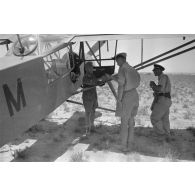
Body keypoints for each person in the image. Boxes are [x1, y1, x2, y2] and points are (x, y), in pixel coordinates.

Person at [109, 52, 140, 152]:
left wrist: (119, 100)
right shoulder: (131, 68)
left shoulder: (122, 68)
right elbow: (133, 80)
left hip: (127, 96)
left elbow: (121, 85)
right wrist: (113, 77)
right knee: (131, 121)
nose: (116, 62)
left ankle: (123, 145)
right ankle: (130, 143)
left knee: (124, 122)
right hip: (135, 94)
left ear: (121, 59)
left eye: (117, 60)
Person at [149, 64, 172, 137]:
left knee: (154, 118)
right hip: (166, 100)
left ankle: (161, 134)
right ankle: (167, 135)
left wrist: (153, 85)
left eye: (155, 70)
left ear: (159, 70)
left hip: (163, 100)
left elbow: (159, 89)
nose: (153, 72)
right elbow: (159, 91)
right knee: (164, 119)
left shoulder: (163, 77)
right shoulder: (162, 78)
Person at [82, 62, 99, 135]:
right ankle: (87, 129)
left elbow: (95, 82)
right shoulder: (85, 77)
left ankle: (92, 126)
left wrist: (101, 81)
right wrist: (100, 81)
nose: (92, 68)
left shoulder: (93, 76)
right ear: (87, 68)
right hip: (87, 98)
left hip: (93, 97)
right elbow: (92, 83)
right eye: (91, 67)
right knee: (88, 113)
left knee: (93, 112)